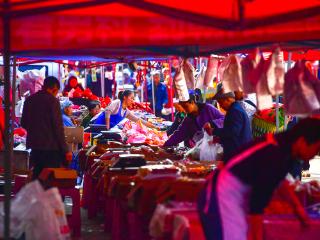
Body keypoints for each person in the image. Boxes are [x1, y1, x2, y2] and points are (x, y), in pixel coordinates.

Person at [198, 117, 320, 240]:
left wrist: (297, 209)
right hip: (221, 193)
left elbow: (280, 180)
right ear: (302, 141)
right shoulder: (275, 154)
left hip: (233, 195)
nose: (315, 155)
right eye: (316, 149)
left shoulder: (286, 149)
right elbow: (256, 207)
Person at [21, 76, 70, 179]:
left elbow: (23, 123)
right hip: (51, 150)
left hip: (35, 148)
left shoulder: (29, 100)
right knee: (49, 181)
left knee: (37, 180)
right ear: (54, 89)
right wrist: (65, 149)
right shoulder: (53, 101)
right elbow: (58, 128)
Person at [207, 88, 252, 162]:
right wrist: (219, 139)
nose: (220, 106)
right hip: (238, 151)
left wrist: (214, 131)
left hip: (238, 153)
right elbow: (232, 132)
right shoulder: (235, 109)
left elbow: (233, 131)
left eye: (220, 103)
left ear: (227, 99)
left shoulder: (235, 111)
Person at [92, 90, 156, 129]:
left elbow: (138, 120)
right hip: (98, 127)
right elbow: (107, 111)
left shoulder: (126, 112)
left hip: (105, 131)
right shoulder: (117, 102)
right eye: (131, 98)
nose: (132, 101)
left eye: (133, 99)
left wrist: (153, 127)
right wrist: (107, 127)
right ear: (125, 97)